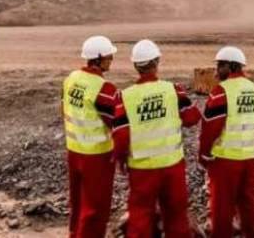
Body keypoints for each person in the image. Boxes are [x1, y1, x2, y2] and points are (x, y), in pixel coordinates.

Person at [112, 40, 201, 238]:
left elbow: (120, 135)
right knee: (176, 217)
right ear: (157, 62)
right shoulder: (173, 90)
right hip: (172, 166)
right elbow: (192, 118)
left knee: (140, 217)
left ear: (136, 66)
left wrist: (120, 160)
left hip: (142, 169)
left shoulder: (124, 97)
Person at [199, 46, 254, 238]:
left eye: (220, 65)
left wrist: (204, 154)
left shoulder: (222, 92)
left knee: (221, 207)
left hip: (225, 160)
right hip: (249, 158)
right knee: (248, 204)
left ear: (231, 66)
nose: (216, 71)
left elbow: (210, 127)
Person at [63, 35, 118, 238]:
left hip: (74, 151)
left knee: (77, 202)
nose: (111, 59)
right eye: (109, 56)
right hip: (97, 156)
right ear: (99, 58)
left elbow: (64, 109)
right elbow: (116, 122)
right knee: (96, 208)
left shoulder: (71, 79)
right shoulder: (104, 88)